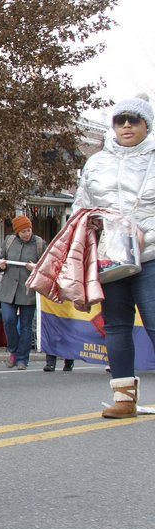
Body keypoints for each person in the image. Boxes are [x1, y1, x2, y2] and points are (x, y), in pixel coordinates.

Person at [71, 95, 155, 416]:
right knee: (117, 326)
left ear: (147, 124)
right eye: (120, 120)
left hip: (151, 255)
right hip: (113, 258)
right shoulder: (96, 163)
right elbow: (81, 211)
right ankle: (124, 398)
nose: (127, 126)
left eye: (134, 120)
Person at [0, 214, 46, 370]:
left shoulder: (39, 244)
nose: (27, 233)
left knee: (26, 325)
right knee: (8, 320)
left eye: (29, 230)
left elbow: (46, 267)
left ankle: (22, 359)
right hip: (8, 289)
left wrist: (35, 268)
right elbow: (1, 261)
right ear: (17, 232)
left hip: (27, 290)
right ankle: (13, 351)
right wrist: (1, 266)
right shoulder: (9, 242)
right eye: (23, 231)